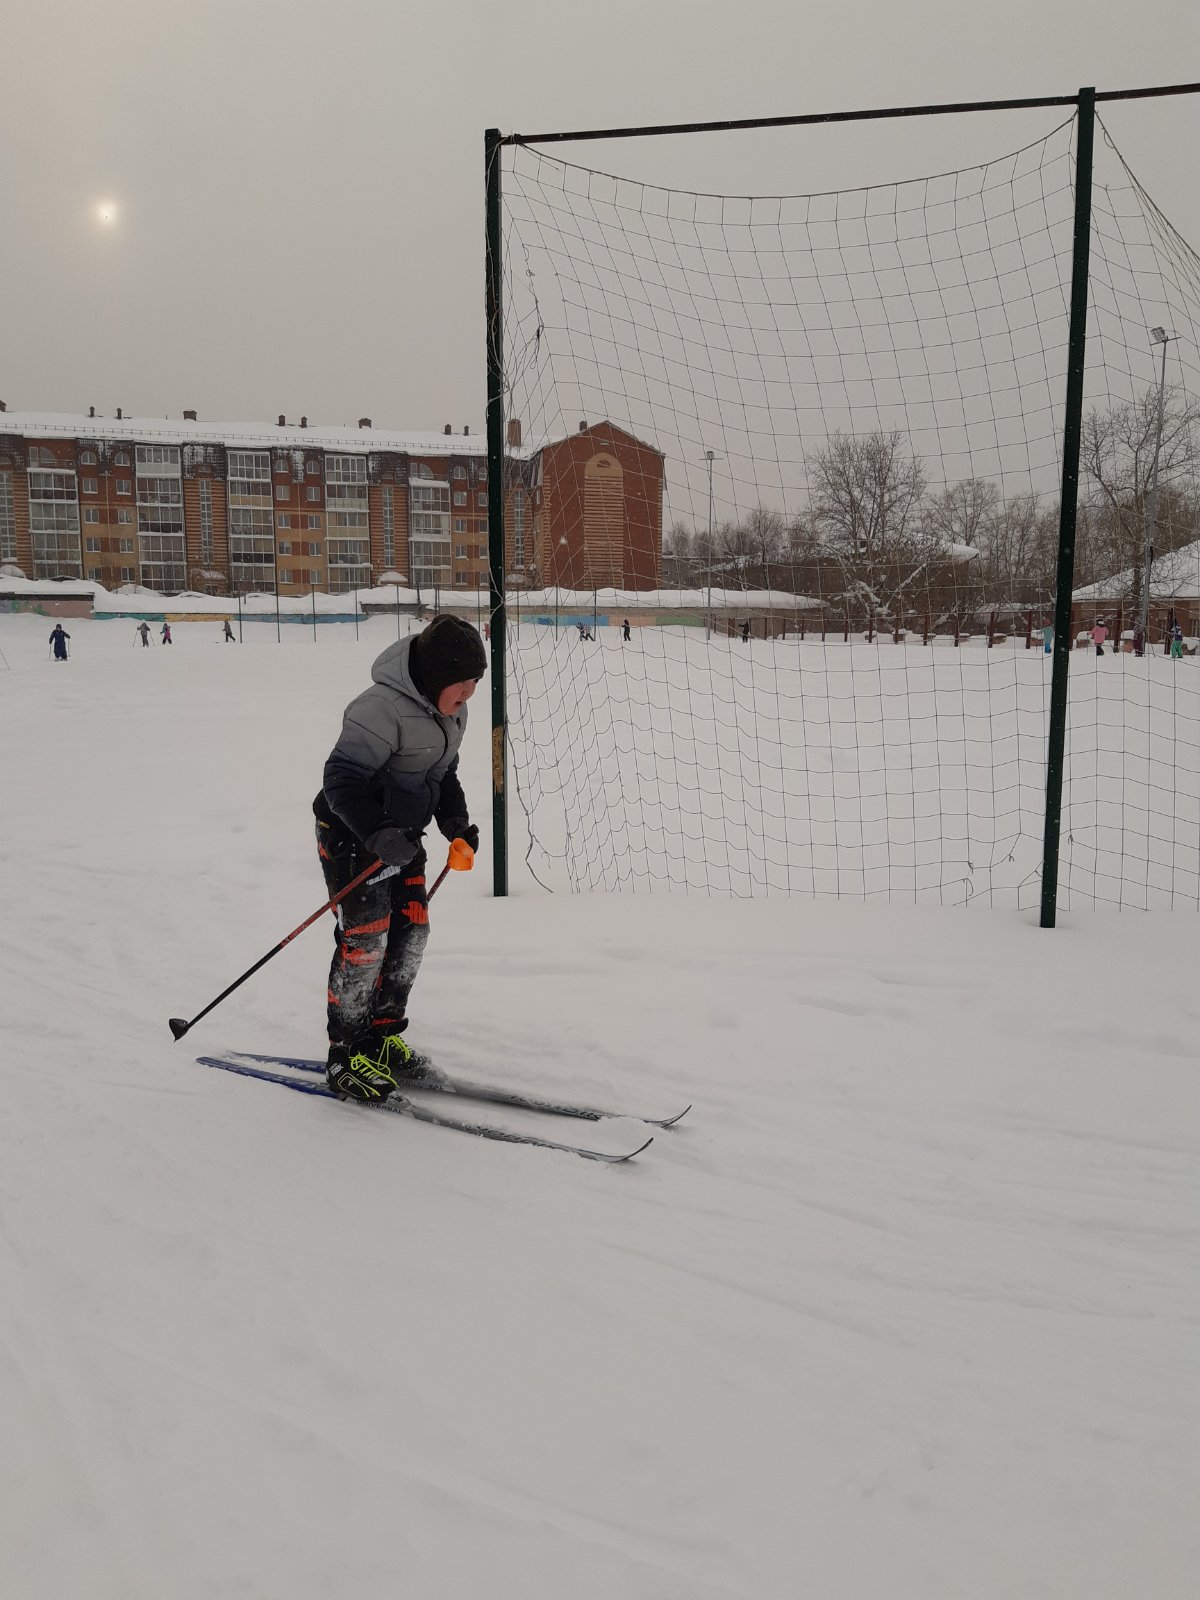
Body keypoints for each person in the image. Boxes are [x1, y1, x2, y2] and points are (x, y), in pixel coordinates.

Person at [314, 614, 486, 1103]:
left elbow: (442, 776)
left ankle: (380, 1037)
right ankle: (344, 1055)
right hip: (354, 836)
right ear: (434, 678)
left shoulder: (452, 713)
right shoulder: (378, 710)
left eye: (476, 682)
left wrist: (456, 826)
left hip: (403, 839)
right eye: (463, 683)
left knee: (411, 933)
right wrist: (376, 833)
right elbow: (340, 780)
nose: (470, 693)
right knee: (366, 942)